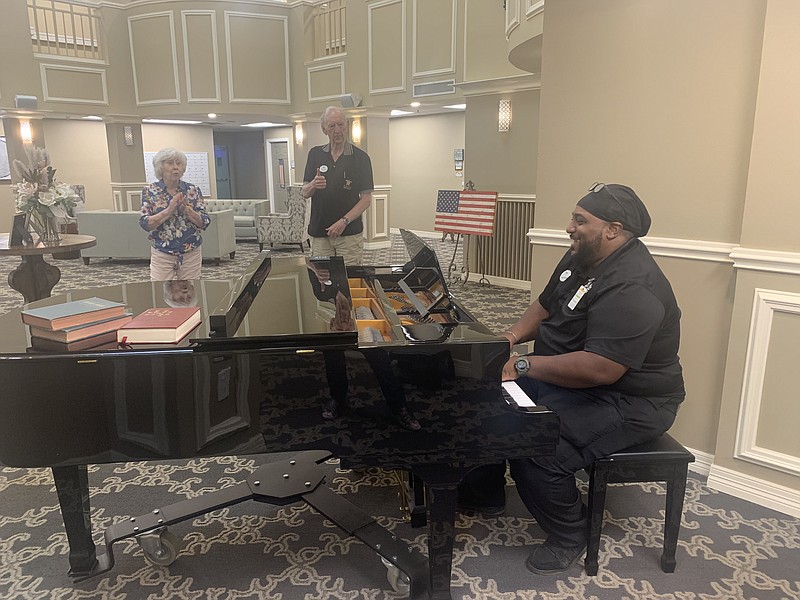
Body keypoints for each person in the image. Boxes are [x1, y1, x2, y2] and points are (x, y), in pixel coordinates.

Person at [461, 182, 685, 575]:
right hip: (570, 375)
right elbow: (546, 305)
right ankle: (486, 493)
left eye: (580, 220)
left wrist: (522, 366)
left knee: (537, 444)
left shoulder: (635, 286)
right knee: (485, 397)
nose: (569, 227)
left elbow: (602, 368)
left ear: (613, 229)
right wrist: (509, 339)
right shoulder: (581, 255)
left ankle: (569, 533)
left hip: (630, 399)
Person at [301, 106, 373, 266]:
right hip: (320, 234)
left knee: (349, 283)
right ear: (324, 129)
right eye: (332, 126)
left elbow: (366, 200)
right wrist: (313, 184)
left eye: (340, 125)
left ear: (346, 125)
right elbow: (305, 192)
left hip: (349, 235)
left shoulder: (361, 158)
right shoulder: (315, 154)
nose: (337, 130)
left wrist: (344, 222)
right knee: (323, 283)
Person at [140, 148, 210, 280]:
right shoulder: (149, 191)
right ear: (160, 167)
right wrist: (168, 211)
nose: (175, 167)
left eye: (179, 163)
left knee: (190, 292)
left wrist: (188, 211)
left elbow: (204, 222)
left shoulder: (192, 190)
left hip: (191, 251)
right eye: (170, 163)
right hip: (162, 251)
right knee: (160, 291)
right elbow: (145, 224)